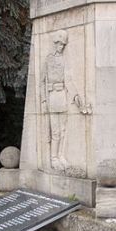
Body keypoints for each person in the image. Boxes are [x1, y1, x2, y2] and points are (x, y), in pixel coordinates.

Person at [41, 30, 91, 172]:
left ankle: (61, 156)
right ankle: (54, 159)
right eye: (60, 44)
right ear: (55, 43)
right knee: (55, 131)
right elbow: (41, 82)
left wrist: (76, 97)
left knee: (63, 130)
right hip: (51, 97)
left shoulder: (64, 60)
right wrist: (44, 101)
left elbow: (68, 80)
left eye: (63, 45)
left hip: (62, 96)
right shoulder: (48, 59)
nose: (62, 47)